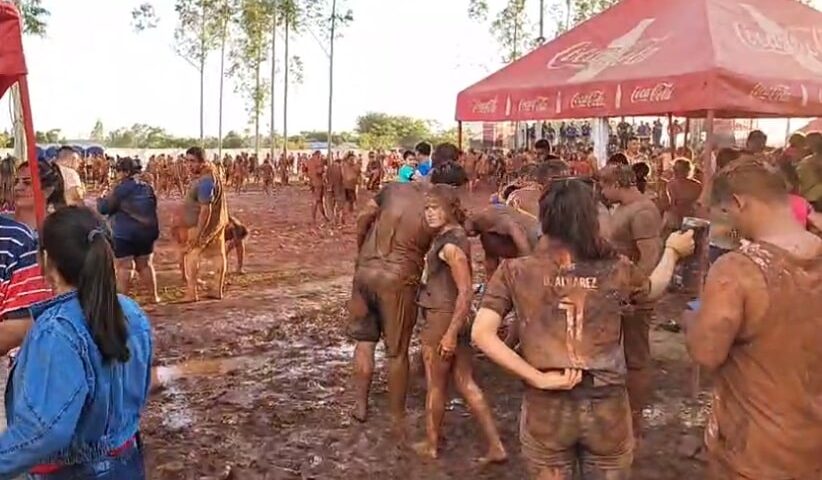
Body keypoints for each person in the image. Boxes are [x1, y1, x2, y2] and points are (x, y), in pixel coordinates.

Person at [472, 179, 693, 480]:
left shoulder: (515, 270)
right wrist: (672, 252)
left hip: (546, 408)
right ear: (590, 219)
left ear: (545, 219)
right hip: (606, 409)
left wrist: (536, 376)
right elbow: (652, 289)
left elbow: (481, 333)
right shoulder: (617, 268)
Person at [684, 160, 822, 479]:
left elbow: (706, 352)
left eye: (725, 213)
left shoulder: (738, 270)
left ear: (738, 202)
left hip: (755, 452)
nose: (727, 223)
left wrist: (691, 319)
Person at [0, 206, 152, 479]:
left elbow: (45, 431)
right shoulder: (132, 312)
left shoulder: (56, 331)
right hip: (126, 462)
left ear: (46, 260)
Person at [348, 143, 467, 437]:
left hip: (365, 271)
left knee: (364, 343)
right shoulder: (436, 208)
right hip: (398, 279)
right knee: (397, 352)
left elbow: (363, 217)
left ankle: (360, 405)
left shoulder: (393, 188)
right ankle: (397, 416)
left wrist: (361, 251)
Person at [412, 185, 506, 463]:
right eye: (427, 209)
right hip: (456, 317)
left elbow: (465, 291)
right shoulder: (453, 237)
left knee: (436, 385)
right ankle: (496, 445)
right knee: (465, 382)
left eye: (435, 208)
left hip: (442, 319)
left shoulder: (451, 245)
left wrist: (450, 334)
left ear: (450, 209)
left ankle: (431, 445)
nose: (430, 213)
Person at [598, 164, 663, 441]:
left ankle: (635, 419)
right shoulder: (624, 209)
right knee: (616, 352)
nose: (602, 192)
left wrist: (634, 290)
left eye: (604, 186)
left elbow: (650, 257)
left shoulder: (643, 211)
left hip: (634, 295)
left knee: (636, 356)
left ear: (616, 184)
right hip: (619, 291)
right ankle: (622, 413)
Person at [97, 158, 160, 304]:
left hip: (124, 233)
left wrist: (100, 198)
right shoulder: (147, 187)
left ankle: (122, 302)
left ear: (125, 172)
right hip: (147, 232)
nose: (116, 174)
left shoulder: (120, 189)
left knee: (124, 267)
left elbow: (104, 209)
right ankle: (154, 296)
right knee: (145, 265)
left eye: (118, 171)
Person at [174, 146, 229, 302]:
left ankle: (192, 293)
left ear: (202, 162)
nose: (189, 165)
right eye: (187, 161)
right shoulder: (210, 175)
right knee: (218, 254)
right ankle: (217, 290)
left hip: (202, 225)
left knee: (192, 254)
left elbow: (206, 209)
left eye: (193, 161)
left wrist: (199, 232)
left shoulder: (206, 181)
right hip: (216, 223)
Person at [305, 151, 327, 223]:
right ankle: (313, 218)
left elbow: (305, 171)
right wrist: (323, 169)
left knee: (319, 200)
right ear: (318, 155)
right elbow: (319, 171)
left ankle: (324, 216)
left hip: (312, 182)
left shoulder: (309, 161)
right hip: (318, 182)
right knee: (317, 200)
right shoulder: (318, 161)